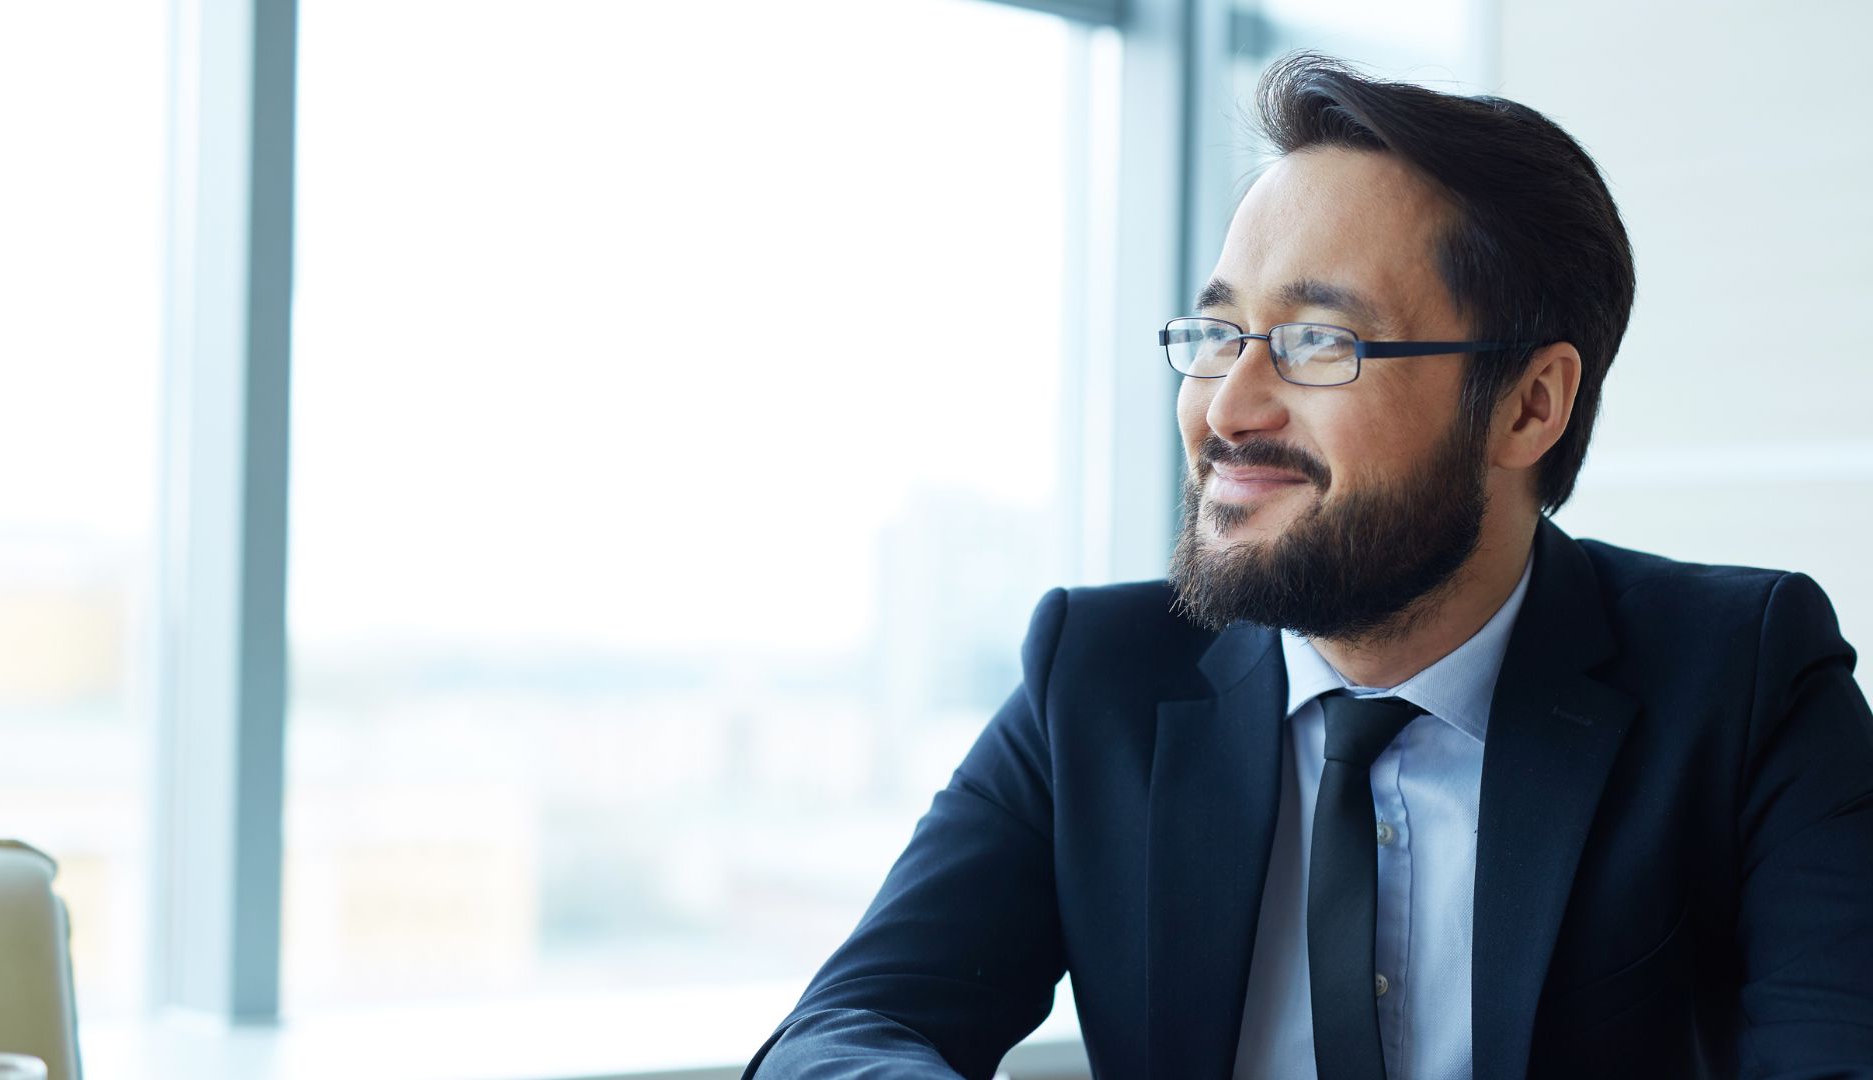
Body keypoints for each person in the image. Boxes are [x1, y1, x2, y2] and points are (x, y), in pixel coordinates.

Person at [742, 54, 1873, 1080]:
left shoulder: (1744, 682)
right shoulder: (1096, 678)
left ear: (1531, 405)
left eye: (1320, 343)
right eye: (1219, 333)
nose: (1227, 407)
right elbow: (848, 1033)